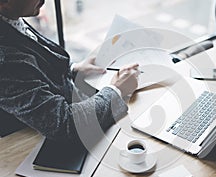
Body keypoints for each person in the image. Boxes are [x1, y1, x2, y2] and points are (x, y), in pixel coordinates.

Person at [0, 0, 139, 141]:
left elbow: (32, 64)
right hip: (33, 141)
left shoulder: (10, 16)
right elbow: (65, 124)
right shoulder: (4, 60)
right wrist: (116, 91)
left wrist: (72, 70)